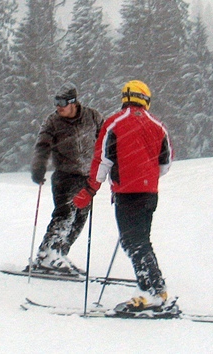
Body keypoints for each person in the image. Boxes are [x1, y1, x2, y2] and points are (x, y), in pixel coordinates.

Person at [73, 80, 173, 313]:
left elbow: (102, 161)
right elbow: (165, 164)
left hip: (126, 192)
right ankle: (153, 289)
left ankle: (153, 292)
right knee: (140, 240)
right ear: (145, 99)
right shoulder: (158, 125)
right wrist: (146, 175)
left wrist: (90, 189)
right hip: (149, 193)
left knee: (133, 242)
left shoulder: (114, 123)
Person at [27, 82, 104, 275]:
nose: (58, 107)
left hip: (87, 177)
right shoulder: (53, 121)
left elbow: (105, 139)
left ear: (73, 102)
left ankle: (59, 254)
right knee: (65, 215)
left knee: (80, 219)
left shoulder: (92, 117)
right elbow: (42, 146)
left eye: (62, 103)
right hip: (65, 176)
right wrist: (38, 168)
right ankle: (46, 255)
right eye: (56, 102)